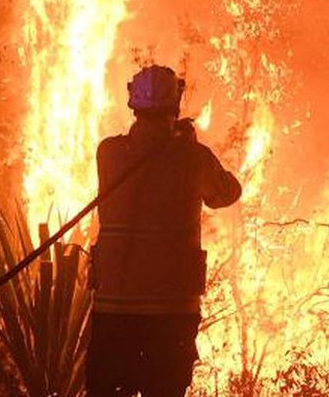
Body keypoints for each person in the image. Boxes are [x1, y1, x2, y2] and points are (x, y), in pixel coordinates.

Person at [87, 65, 242, 397]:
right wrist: (187, 143)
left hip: (114, 310)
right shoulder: (193, 157)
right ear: (176, 104)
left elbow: (147, 156)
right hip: (171, 311)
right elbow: (227, 194)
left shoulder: (109, 152)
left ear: (134, 105)